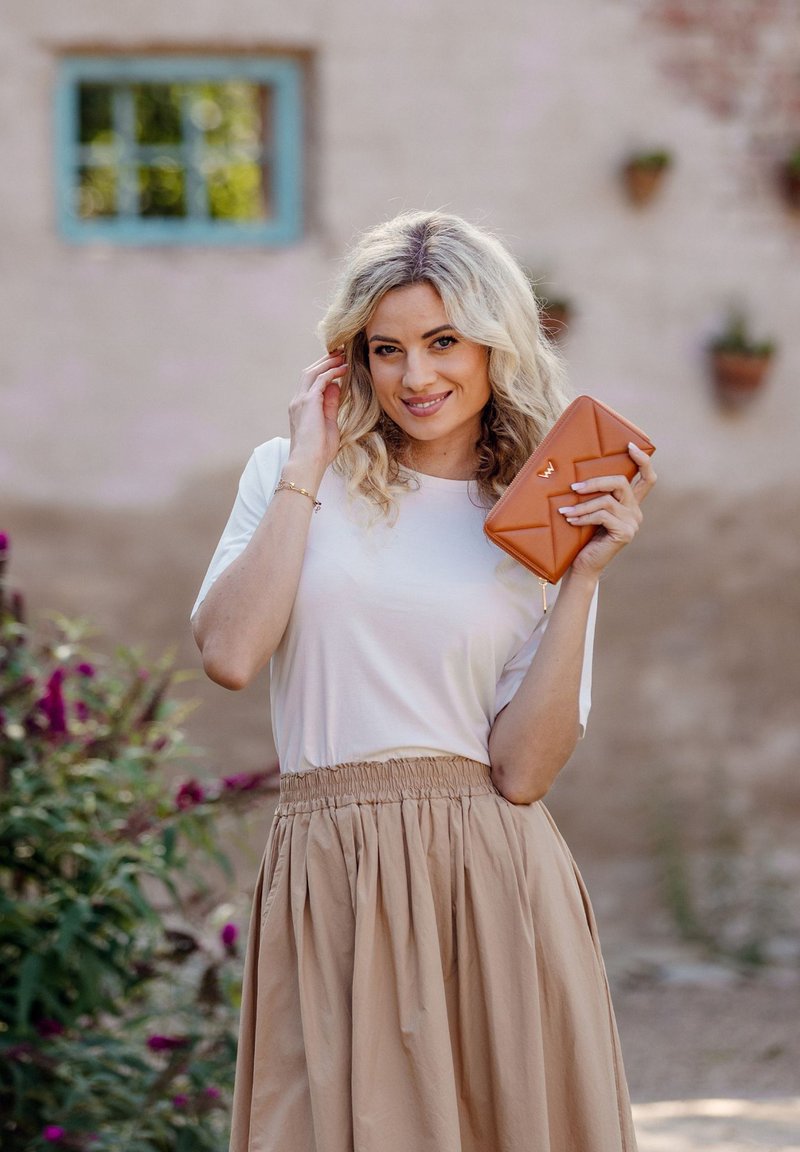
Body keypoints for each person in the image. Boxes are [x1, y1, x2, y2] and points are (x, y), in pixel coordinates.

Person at [191, 210, 656, 1152]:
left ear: (495, 345)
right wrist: (308, 470)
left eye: (445, 342)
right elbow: (231, 656)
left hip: (488, 876)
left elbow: (524, 772)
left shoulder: (539, 513)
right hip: (329, 868)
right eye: (388, 347)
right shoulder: (287, 474)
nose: (417, 376)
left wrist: (584, 581)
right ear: (352, 356)